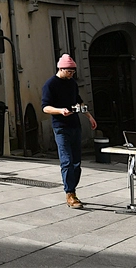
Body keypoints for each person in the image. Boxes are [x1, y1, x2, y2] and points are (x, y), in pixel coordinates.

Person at [41, 54, 98, 209]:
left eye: (73, 71)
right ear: (61, 68)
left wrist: (89, 116)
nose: (72, 74)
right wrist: (60, 111)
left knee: (76, 163)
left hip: (75, 125)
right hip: (60, 126)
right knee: (66, 161)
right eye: (69, 71)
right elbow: (45, 107)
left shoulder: (72, 83)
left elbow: (78, 101)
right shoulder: (50, 84)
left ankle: (73, 191)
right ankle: (70, 193)